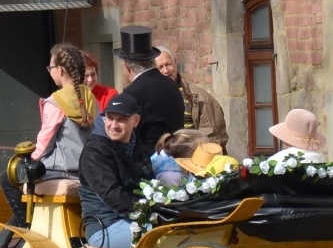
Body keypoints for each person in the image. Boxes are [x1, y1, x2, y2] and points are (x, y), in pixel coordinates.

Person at [0, 44, 99, 248]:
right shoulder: (90, 98)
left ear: (60, 70)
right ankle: (6, 236)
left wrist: (30, 159)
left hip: (61, 170)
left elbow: (45, 141)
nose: (50, 71)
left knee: (8, 178)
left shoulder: (56, 102)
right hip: (87, 170)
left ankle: (24, 226)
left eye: (50, 67)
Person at [76, 93, 153, 248]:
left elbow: (147, 180)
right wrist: (148, 212)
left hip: (133, 219)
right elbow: (111, 194)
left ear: (136, 121)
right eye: (110, 118)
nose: (114, 125)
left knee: (177, 229)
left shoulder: (135, 143)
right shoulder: (94, 152)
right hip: (104, 226)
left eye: (121, 119)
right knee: (160, 235)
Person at [112, 26, 185, 155]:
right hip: (176, 158)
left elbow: (123, 139)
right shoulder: (172, 84)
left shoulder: (132, 94)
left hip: (149, 163)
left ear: (127, 66)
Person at [155, 47, 228, 148]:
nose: (166, 70)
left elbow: (215, 138)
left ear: (175, 63)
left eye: (168, 64)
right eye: (160, 67)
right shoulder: (147, 99)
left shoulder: (200, 98)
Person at [77, 47, 118, 113]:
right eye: (85, 76)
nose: (90, 80)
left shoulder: (108, 94)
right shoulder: (67, 97)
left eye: (93, 74)